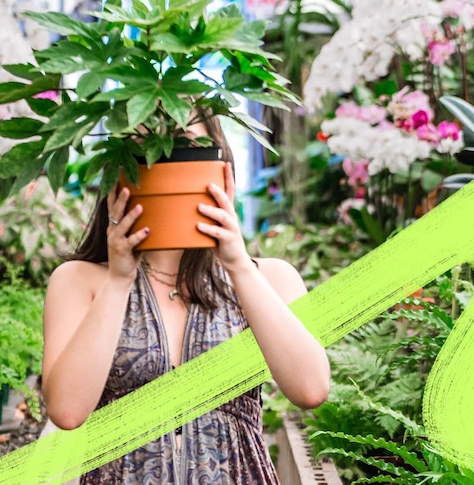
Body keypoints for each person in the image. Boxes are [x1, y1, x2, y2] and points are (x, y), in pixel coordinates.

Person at [41, 114, 331, 484]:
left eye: (184, 146)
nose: (165, 160)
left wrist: (239, 266)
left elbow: (311, 389)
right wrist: (118, 280)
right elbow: (66, 412)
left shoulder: (270, 278)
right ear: (120, 171)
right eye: (146, 148)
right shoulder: (80, 281)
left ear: (220, 167)